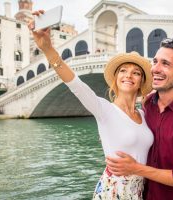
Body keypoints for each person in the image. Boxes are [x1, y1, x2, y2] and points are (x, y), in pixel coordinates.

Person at [29, 10, 154, 200]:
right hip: (114, 190)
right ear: (116, 78)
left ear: (141, 81)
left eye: (136, 72)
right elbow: (74, 84)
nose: (129, 75)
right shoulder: (104, 109)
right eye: (123, 70)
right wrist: (48, 49)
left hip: (140, 189)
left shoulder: (144, 115)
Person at [106, 38, 173, 200]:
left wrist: (135, 168)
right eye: (155, 61)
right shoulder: (147, 105)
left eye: (165, 64)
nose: (155, 69)